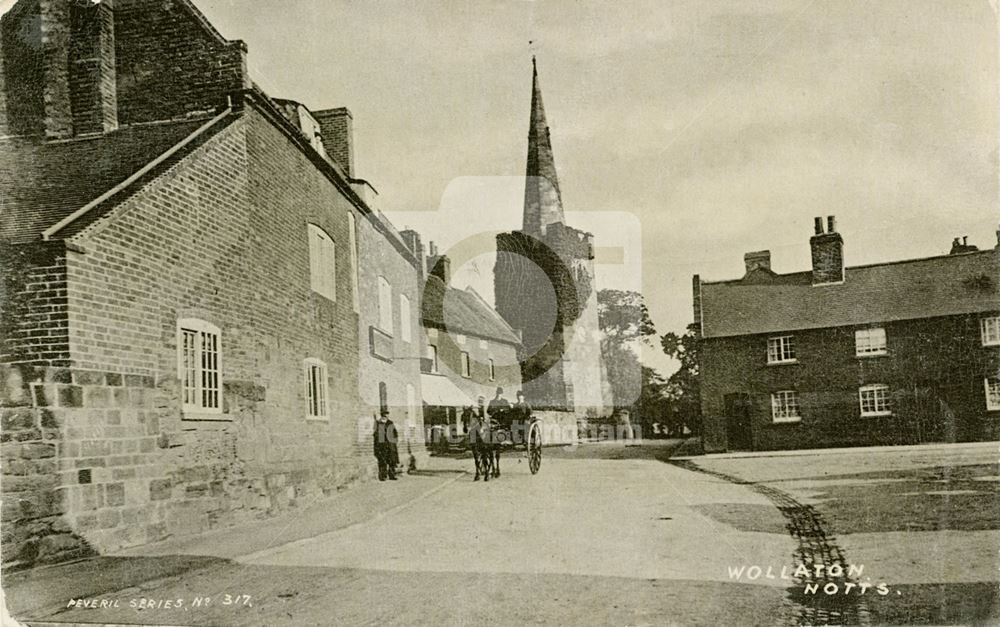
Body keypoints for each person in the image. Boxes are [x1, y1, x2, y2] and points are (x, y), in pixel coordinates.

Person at [373, 411, 398, 481]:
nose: (386, 417)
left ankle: (392, 475)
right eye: (384, 416)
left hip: (390, 445)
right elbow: (376, 435)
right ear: (382, 416)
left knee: (392, 461)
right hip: (383, 446)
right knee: (383, 461)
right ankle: (383, 476)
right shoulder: (379, 424)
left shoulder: (390, 423)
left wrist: (394, 440)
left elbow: (395, 433)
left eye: (387, 416)